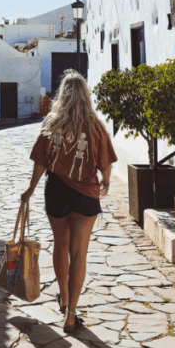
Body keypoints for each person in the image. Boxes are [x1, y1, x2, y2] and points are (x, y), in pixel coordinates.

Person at [21, 69, 117, 334]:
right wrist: (106, 183)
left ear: (62, 95)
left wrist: (30, 189)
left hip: (57, 191)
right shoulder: (96, 126)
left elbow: (41, 162)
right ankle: (72, 314)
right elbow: (105, 165)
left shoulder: (52, 122)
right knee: (79, 254)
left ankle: (63, 298)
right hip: (86, 193)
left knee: (60, 245)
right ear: (86, 96)